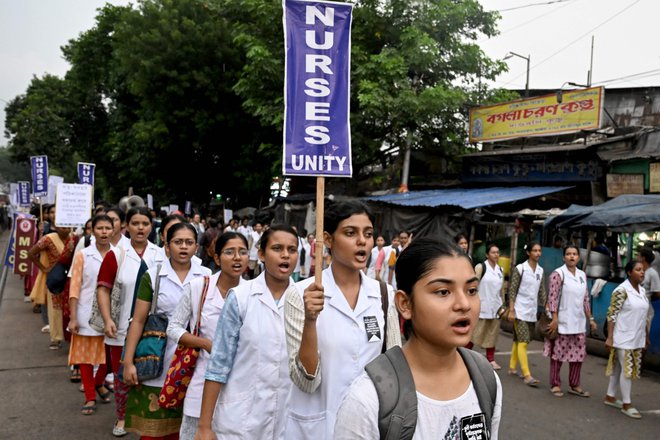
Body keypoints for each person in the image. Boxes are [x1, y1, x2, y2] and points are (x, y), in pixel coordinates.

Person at [335, 238, 502, 439]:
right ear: (405, 304)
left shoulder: (486, 380)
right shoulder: (367, 400)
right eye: (443, 292)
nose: (464, 304)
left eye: (472, 290)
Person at [284, 200, 402, 439]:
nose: (362, 241)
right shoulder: (301, 294)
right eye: (350, 233)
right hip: (317, 425)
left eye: (368, 234)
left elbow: (394, 368)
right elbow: (306, 381)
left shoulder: (383, 295)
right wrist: (310, 320)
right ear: (328, 240)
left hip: (369, 425)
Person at [195, 225, 299, 440]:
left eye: (292, 249)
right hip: (240, 420)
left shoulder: (306, 300)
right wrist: (204, 426)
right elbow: (218, 364)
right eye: (277, 248)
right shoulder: (240, 298)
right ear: (261, 254)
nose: (285, 255)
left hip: (288, 419)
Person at [122, 222, 211, 438]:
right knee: (154, 431)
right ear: (166, 246)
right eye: (178, 242)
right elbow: (139, 320)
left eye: (189, 242)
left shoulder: (207, 276)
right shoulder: (152, 276)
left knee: (190, 426)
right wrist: (128, 361)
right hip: (158, 359)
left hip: (195, 361)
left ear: (196, 247)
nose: (183, 247)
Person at [167, 232, 249, 439]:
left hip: (241, 384)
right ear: (217, 258)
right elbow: (173, 327)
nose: (237, 258)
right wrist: (205, 343)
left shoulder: (253, 292)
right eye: (230, 252)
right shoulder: (199, 287)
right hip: (201, 382)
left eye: (243, 252)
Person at [96, 207, 164, 437]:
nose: (141, 228)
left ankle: (148, 416)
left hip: (152, 329)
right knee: (122, 376)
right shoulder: (117, 254)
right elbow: (103, 289)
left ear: (151, 226)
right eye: (135, 223)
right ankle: (123, 415)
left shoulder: (161, 254)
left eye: (145, 223)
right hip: (120, 327)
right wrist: (107, 319)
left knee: (150, 373)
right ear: (126, 226)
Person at [67, 214, 115, 415]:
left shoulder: (120, 253)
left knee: (110, 357)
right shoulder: (83, 255)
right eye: (100, 228)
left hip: (113, 313)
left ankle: (98, 383)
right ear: (92, 231)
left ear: (114, 230)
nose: (104, 232)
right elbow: (74, 287)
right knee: (86, 358)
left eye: (107, 228)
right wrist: (72, 316)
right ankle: (89, 397)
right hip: (86, 311)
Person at [543, 245, 598, 398]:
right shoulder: (558, 274)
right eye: (568, 254)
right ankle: (555, 384)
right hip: (562, 322)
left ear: (578, 257)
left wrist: (591, 319)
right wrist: (554, 318)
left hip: (579, 322)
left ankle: (575, 384)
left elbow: (585, 299)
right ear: (563, 257)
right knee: (558, 355)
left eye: (574, 254)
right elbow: (552, 298)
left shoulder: (582, 275)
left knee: (578, 356)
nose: (571, 257)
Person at [604, 260, 650, 419]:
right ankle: (626, 403)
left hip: (637, 337)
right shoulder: (621, 290)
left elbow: (644, 316)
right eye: (638, 270)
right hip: (622, 337)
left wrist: (646, 336)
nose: (642, 272)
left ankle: (610, 396)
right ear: (629, 272)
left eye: (643, 270)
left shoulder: (642, 291)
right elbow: (611, 314)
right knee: (627, 370)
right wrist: (610, 338)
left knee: (618, 368)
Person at [28, 222, 74, 349]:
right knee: (55, 308)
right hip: (55, 279)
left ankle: (71, 336)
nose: (65, 229)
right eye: (62, 227)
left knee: (71, 307)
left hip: (71, 277)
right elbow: (31, 253)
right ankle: (56, 338)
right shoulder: (48, 239)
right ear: (57, 226)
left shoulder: (74, 238)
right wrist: (44, 268)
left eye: (67, 227)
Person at [507, 241, 546, 387]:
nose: (537, 253)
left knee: (520, 339)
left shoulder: (540, 271)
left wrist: (547, 307)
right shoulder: (520, 268)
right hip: (519, 310)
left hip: (531, 310)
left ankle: (512, 367)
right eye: (534, 250)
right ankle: (527, 374)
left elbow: (542, 291)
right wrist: (511, 310)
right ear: (528, 253)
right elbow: (512, 290)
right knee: (523, 341)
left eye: (539, 250)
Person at [471, 243, 505, 370]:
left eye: (498, 252)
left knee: (492, 334)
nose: (496, 255)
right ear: (487, 254)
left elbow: (501, 290)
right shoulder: (481, 267)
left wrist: (502, 305)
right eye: (493, 252)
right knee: (475, 333)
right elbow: (473, 285)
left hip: (495, 307)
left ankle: (491, 359)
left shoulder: (500, 270)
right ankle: (463, 355)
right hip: (481, 305)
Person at [638, 248, 660, 329]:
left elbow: (657, 293)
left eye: (638, 255)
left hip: (646, 310)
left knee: (643, 334)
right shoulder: (638, 271)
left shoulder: (653, 273)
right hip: (635, 308)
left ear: (643, 258)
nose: (637, 257)